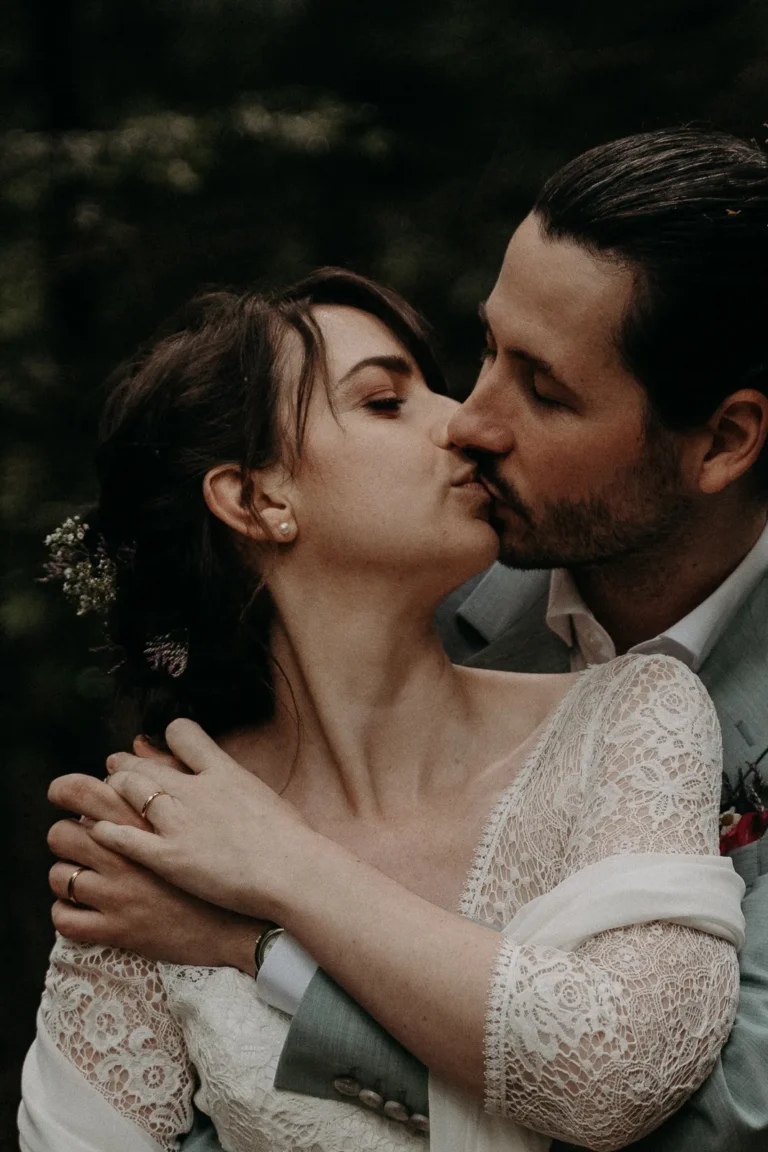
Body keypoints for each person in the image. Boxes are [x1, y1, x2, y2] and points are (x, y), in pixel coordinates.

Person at [38, 126, 768, 1152]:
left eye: (544, 389)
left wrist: (267, 925)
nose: (466, 420)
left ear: (726, 441)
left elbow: (704, 1108)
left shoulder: (637, 708)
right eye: (476, 358)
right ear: (254, 500)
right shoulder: (177, 832)